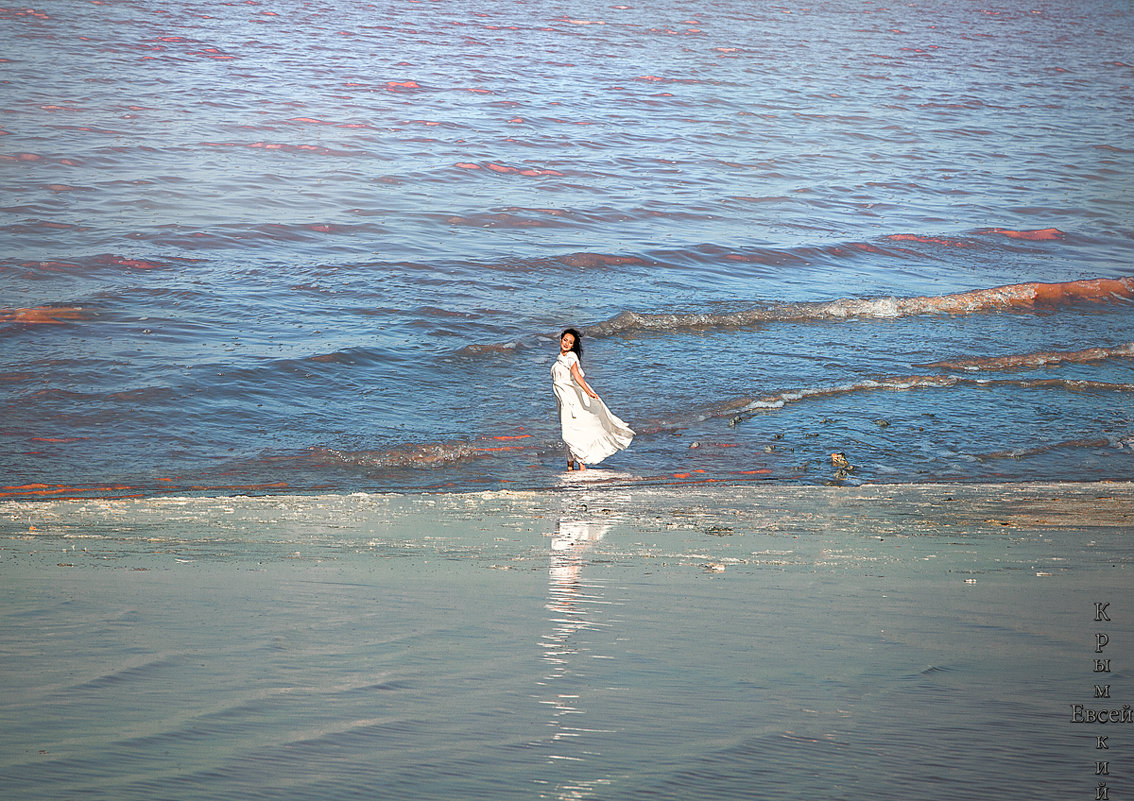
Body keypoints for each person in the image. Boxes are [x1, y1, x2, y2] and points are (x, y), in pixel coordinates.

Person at [551, 328, 634, 470]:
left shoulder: (571, 357)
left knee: (568, 431)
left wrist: (589, 392)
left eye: (570, 342)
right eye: (565, 340)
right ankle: (570, 466)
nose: (566, 344)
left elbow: (577, 376)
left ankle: (581, 465)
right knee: (568, 429)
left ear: (572, 346)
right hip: (562, 400)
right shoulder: (559, 360)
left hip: (570, 400)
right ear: (561, 340)